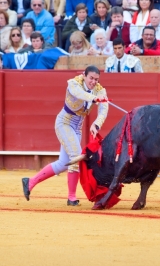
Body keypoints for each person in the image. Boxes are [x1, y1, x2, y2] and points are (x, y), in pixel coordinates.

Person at [22, 65, 109, 206]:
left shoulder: (100, 90)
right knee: (75, 157)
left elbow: (104, 109)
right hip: (64, 123)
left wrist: (96, 124)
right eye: (91, 78)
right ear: (84, 76)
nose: (93, 82)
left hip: (77, 128)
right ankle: (71, 197)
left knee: (63, 163)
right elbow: (79, 94)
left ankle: (30, 182)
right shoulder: (74, 83)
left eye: (96, 79)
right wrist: (95, 98)